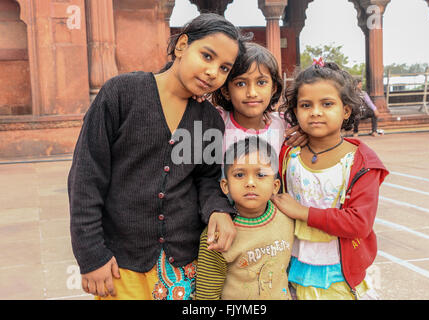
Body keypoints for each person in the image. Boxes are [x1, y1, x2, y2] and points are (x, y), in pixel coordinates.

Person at [68, 13, 247, 300]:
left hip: (183, 267)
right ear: (181, 46)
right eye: (206, 56)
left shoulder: (208, 121)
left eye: (224, 68)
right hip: (121, 263)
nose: (213, 71)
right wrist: (90, 254)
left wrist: (218, 210)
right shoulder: (121, 94)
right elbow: (86, 177)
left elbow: (206, 179)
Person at [272, 61, 389, 300]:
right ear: (295, 111)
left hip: (338, 271)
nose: (315, 112)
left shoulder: (361, 161)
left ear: (346, 110)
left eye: (327, 104)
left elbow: (359, 222)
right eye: (306, 105)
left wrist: (303, 212)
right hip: (292, 265)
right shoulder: (288, 154)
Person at [195, 136, 294, 300]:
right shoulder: (218, 233)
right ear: (225, 186)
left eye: (261, 174)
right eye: (240, 175)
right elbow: (206, 296)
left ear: (275, 186)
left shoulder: (286, 218)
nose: (250, 182)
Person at [211, 42, 306, 159]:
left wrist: (306, 134)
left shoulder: (284, 124)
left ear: (273, 88)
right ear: (226, 91)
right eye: (240, 83)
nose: (252, 93)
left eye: (261, 82)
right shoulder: (217, 121)